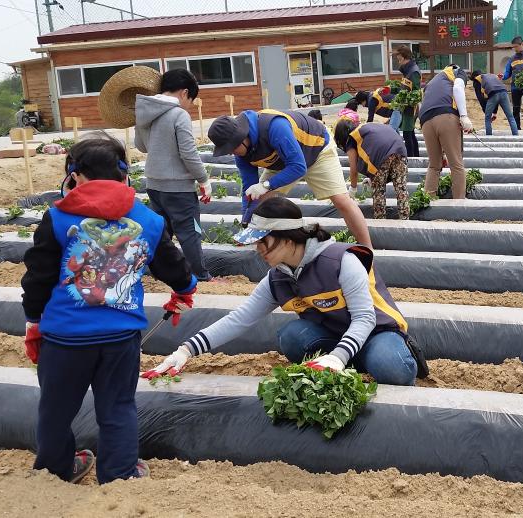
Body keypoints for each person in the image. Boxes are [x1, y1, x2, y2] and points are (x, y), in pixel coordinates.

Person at [21, 134, 198, 484]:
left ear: (74, 175)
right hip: (120, 338)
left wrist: (33, 321)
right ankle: (119, 474)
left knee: (55, 409)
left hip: (65, 338)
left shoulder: (57, 219)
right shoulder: (147, 219)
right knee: (117, 407)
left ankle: (55, 471)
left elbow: (38, 277)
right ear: (124, 175)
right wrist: (184, 290)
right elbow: (172, 264)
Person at [143, 197, 422, 386]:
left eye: (263, 242)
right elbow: (240, 319)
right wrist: (185, 350)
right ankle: (347, 359)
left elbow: (364, 318)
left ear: (288, 238)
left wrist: (338, 355)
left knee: (390, 367)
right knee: (292, 338)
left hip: (377, 331)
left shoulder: (341, 261)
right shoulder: (277, 279)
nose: (258, 250)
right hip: (336, 334)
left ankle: (351, 358)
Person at [206, 109, 372, 247]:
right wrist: (246, 221)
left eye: (231, 148)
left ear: (242, 137)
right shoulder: (241, 154)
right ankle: (265, 245)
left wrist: (266, 184)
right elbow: (249, 191)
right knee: (261, 199)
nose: (230, 153)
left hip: (317, 150)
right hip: (284, 161)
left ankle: (367, 249)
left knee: (341, 200)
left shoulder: (275, 127)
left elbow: (298, 167)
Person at [135, 69, 215, 282]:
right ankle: (200, 274)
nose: (188, 104)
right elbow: (188, 152)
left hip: (154, 183)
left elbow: (140, 146)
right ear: (184, 92)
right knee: (189, 232)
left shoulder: (144, 112)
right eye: (191, 99)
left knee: (161, 233)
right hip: (178, 187)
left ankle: (155, 273)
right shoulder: (179, 114)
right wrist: (203, 179)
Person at [334, 118, 409, 220]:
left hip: (382, 154)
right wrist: (371, 177)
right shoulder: (366, 128)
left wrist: (353, 189)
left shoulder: (352, 139)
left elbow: (353, 169)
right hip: (400, 148)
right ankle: (405, 219)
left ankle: (380, 222)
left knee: (379, 191)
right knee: (401, 189)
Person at [419, 64, 472, 199]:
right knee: (456, 164)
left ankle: (427, 201)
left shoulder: (433, 82)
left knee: (434, 165)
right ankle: (459, 207)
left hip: (425, 120)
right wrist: (464, 116)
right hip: (446, 116)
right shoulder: (457, 71)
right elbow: (458, 88)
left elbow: (422, 103)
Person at [471, 70, 518, 136]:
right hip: (504, 92)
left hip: (493, 94)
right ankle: (516, 136)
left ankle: (489, 137)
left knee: (487, 118)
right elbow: (497, 94)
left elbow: (481, 99)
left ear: (474, 77)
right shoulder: (491, 75)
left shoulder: (477, 80)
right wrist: (494, 112)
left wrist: (487, 112)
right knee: (510, 117)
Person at [393, 45, 421, 157]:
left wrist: (404, 100)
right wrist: (391, 89)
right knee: (410, 133)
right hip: (406, 106)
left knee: (407, 134)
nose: (399, 62)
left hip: (411, 107)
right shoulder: (408, 71)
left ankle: (412, 159)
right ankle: (415, 157)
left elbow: (416, 93)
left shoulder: (413, 72)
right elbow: (404, 88)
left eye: (399, 59)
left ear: (405, 58)